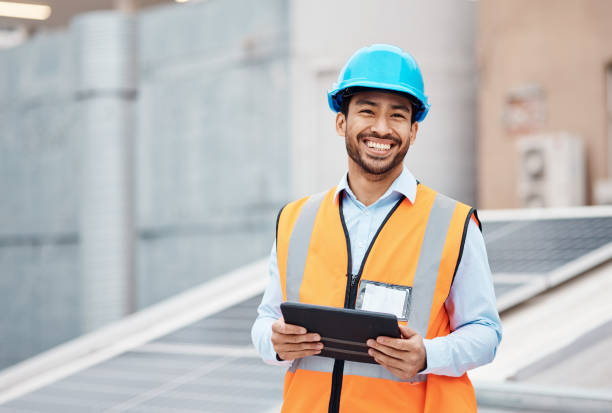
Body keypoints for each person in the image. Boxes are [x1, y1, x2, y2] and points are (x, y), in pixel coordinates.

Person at [251, 44, 502, 413]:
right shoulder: (296, 219)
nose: (382, 128)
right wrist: (274, 343)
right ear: (342, 122)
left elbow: (486, 333)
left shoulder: (453, 223)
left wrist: (428, 354)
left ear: (413, 130)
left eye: (397, 116)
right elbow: (266, 320)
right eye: (367, 111)